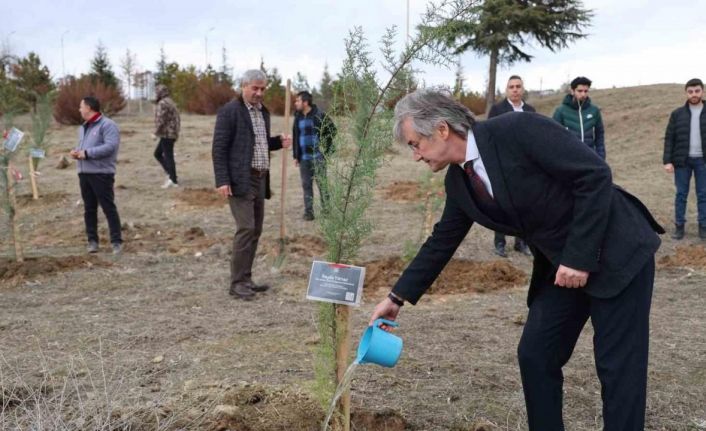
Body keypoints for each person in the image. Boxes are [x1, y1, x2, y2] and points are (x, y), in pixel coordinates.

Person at [369, 90, 664, 431]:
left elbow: (594, 175)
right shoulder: (459, 182)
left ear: (441, 129)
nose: (415, 156)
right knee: (536, 354)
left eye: (414, 143)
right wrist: (396, 298)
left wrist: (580, 258)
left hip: (616, 250)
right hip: (562, 267)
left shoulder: (518, 130)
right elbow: (441, 242)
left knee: (618, 368)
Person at [212, 69, 292, 300]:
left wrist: (278, 142)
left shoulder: (262, 112)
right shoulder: (230, 112)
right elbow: (219, 148)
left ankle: (246, 279)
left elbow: (259, 143)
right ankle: (237, 284)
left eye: (262, 89)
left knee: (255, 230)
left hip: (260, 178)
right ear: (243, 87)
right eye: (254, 88)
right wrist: (223, 179)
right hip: (239, 179)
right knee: (246, 228)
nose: (259, 93)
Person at [487, 75, 535, 258]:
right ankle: (500, 242)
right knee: (502, 204)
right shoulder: (497, 109)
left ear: (523, 89)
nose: (515, 89)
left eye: (518, 86)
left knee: (524, 205)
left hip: (525, 166)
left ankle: (521, 243)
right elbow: (489, 135)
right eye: (511, 87)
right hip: (503, 164)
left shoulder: (530, 110)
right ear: (506, 90)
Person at [70, 96, 123, 255]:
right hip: (84, 173)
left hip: (101, 173)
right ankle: (92, 241)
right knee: (89, 209)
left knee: (108, 207)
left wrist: (86, 154)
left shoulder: (108, 125)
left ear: (89, 108)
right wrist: (77, 152)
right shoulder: (83, 127)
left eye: (81, 106)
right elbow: (83, 147)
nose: (79, 110)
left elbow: (110, 147)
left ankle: (116, 242)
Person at [663, 78, 706, 240]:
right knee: (681, 194)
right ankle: (679, 227)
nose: (694, 94)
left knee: (703, 194)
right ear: (686, 93)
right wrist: (667, 161)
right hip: (682, 161)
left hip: (703, 161)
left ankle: (703, 227)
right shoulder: (677, 114)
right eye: (690, 91)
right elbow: (669, 138)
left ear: (702, 91)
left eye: (697, 91)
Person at [292, 90, 337, 220]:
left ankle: (327, 211)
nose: (296, 103)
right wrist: (296, 155)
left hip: (318, 158)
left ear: (305, 102)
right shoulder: (297, 117)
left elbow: (332, 130)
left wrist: (326, 149)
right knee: (306, 186)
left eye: (298, 101)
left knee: (322, 185)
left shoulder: (319, 115)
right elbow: (296, 136)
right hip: (304, 159)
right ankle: (309, 213)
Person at [553, 76, 606, 159]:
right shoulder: (561, 111)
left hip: (591, 158)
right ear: (572, 91)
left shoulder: (594, 110)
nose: (583, 94)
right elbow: (554, 137)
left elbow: (599, 135)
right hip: (569, 160)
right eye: (580, 91)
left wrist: (601, 156)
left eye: (586, 91)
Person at [153, 84, 181, 189]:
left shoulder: (163, 103)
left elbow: (161, 120)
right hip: (172, 133)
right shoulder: (170, 101)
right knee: (158, 153)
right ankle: (171, 174)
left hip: (167, 134)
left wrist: (155, 133)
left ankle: (173, 180)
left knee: (168, 156)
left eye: (156, 92)